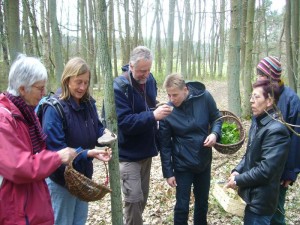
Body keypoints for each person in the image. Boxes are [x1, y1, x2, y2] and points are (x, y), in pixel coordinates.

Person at [0, 54, 77, 225]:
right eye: (40, 88)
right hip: (17, 211)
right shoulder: (4, 119)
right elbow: (19, 166)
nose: (43, 93)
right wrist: (57, 157)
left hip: (34, 202)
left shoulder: (26, 112)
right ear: (22, 89)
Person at [42, 57, 114, 225]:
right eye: (78, 82)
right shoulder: (55, 109)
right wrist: (88, 153)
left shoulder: (88, 103)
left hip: (83, 178)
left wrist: (104, 133)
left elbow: (96, 126)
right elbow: (56, 150)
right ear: (67, 80)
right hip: (61, 181)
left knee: (79, 222)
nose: (82, 87)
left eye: (86, 82)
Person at [113, 46, 172, 225]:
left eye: (148, 70)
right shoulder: (120, 87)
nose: (145, 74)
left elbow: (148, 104)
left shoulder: (150, 79)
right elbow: (124, 122)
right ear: (131, 66)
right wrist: (153, 115)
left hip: (146, 151)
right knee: (133, 201)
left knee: (142, 198)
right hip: (128, 154)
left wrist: (157, 109)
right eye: (141, 71)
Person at [158, 73, 222, 225]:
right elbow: (165, 146)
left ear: (185, 89)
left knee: (202, 203)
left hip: (204, 161)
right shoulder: (167, 112)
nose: (171, 99)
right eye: (168, 95)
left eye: (175, 95)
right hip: (182, 164)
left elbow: (217, 118)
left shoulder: (204, 97)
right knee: (182, 206)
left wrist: (214, 134)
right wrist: (168, 173)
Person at [226, 79, 291, 225]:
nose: (251, 101)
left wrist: (238, 180)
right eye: (251, 96)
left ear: (269, 101)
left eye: (256, 97)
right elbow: (249, 155)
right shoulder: (259, 122)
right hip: (251, 195)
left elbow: (266, 170)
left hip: (261, 201)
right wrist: (237, 170)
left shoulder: (276, 131)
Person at [256, 56, 300, 225]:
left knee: (276, 211)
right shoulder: (262, 95)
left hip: (280, 169)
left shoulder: (291, 100)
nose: (258, 78)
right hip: (261, 166)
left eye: (261, 74)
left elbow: (296, 140)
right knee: (261, 208)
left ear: (270, 77)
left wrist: (290, 171)